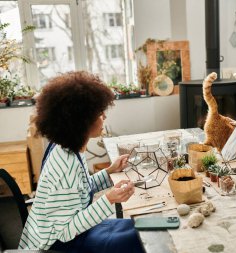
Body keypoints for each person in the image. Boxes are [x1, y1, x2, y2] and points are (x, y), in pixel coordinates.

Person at [19, 71, 143, 253]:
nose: (105, 118)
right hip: (57, 244)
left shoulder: (68, 148)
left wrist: (109, 172)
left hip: (68, 232)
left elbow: (79, 189)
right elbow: (65, 232)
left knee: (140, 228)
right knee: (140, 239)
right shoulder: (65, 166)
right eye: (100, 113)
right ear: (82, 121)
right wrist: (108, 199)